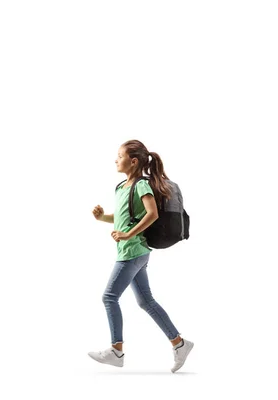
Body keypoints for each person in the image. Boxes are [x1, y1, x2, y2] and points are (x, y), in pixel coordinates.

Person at [87, 139, 193, 373]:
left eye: (119, 155)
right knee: (146, 301)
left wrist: (128, 235)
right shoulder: (120, 187)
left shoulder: (142, 185)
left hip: (133, 252)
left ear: (133, 161)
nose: (116, 159)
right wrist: (102, 217)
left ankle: (116, 350)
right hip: (133, 251)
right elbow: (122, 217)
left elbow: (152, 214)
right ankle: (180, 344)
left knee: (109, 297)